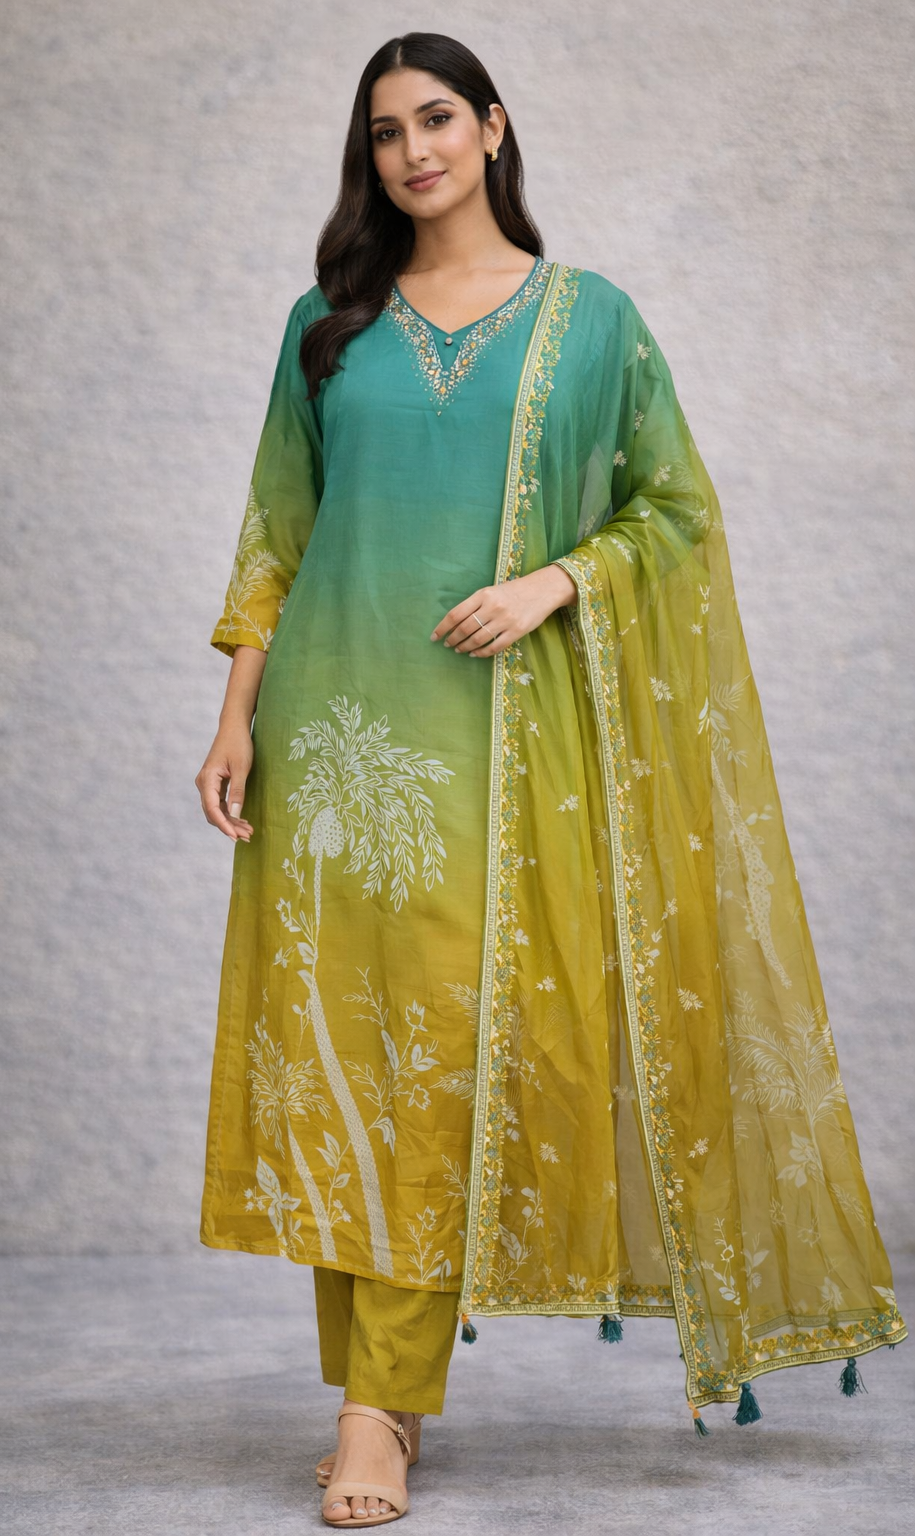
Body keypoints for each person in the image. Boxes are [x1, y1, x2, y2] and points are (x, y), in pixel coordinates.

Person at [194, 31, 906, 1528]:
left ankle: (382, 1397)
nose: (413, 151)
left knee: (443, 1063)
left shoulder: (593, 327)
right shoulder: (328, 324)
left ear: (495, 126)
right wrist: (236, 718)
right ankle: (375, 1408)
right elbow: (276, 531)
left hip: (504, 756)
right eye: (385, 130)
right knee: (351, 1066)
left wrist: (561, 582)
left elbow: (678, 515)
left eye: (438, 117)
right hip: (336, 747)